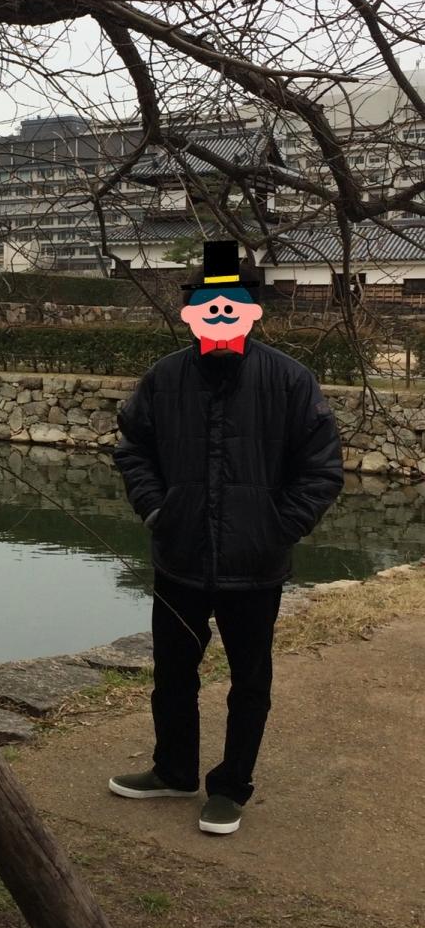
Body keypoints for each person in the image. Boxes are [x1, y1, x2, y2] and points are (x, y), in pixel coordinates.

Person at [110, 239, 344, 834]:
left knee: (250, 681)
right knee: (173, 674)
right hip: (179, 557)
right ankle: (173, 770)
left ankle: (231, 787)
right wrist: (157, 510)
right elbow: (133, 448)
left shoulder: (289, 380)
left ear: (252, 309)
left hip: (255, 566)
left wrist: (277, 528)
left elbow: (321, 470)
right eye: (207, 302)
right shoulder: (165, 377)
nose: (218, 311)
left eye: (231, 301)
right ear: (190, 310)